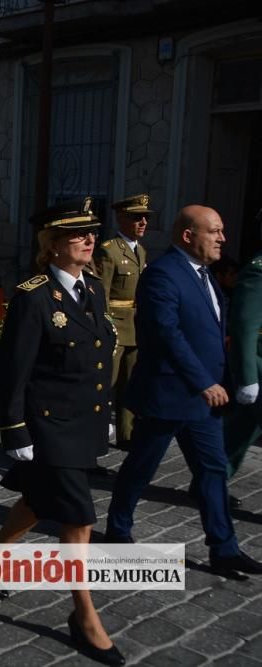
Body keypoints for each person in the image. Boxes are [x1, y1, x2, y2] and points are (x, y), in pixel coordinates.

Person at [0, 198, 123, 666]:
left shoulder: (93, 287)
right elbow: (12, 372)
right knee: (78, 518)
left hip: (80, 421)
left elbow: (95, 356)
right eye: (78, 234)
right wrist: (14, 430)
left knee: (35, 501)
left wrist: (103, 414)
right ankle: (84, 616)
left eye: (92, 232)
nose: (90, 239)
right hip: (47, 426)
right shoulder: (32, 296)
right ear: (52, 245)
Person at [106, 205, 262, 578]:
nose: (223, 238)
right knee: (141, 467)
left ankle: (224, 550)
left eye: (222, 231)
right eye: (215, 231)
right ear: (188, 235)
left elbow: (212, 333)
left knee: (212, 472)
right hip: (170, 395)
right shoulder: (163, 274)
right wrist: (203, 382)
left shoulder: (205, 274)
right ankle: (117, 530)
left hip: (203, 400)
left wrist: (227, 377)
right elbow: (166, 335)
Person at [92, 194, 151, 451]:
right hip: (115, 325)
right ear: (121, 218)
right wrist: (106, 327)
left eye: (146, 218)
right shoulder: (109, 249)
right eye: (137, 217)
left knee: (131, 384)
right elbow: (101, 294)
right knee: (107, 384)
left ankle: (126, 435)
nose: (143, 222)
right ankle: (95, 436)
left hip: (135, 327)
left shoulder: (141, 250)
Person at [224, 248, 262, 495]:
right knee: (242, 427)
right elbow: (245, 325)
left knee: (241, 430)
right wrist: (249, 377)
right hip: (259, 365)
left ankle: (210, 478)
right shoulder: (259, 269)